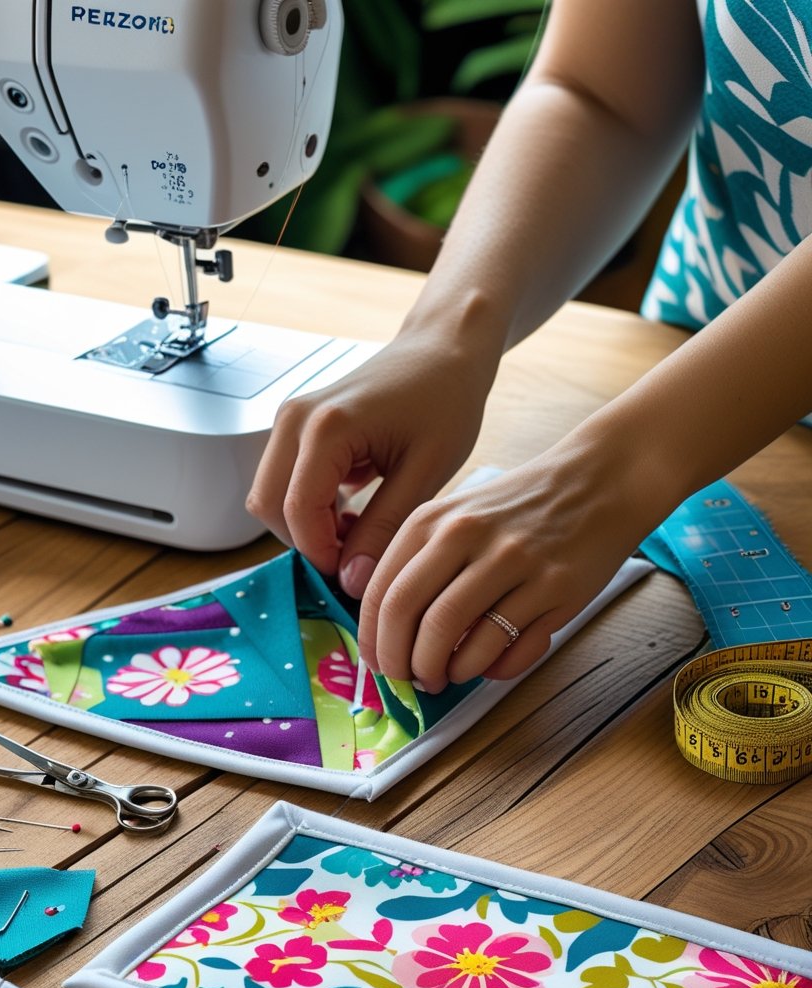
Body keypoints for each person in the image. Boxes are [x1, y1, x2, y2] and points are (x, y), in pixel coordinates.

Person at [246, 0, 812, 694]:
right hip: (699, 351)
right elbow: (599, 90)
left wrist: (612, 477)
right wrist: (446, 337)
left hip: (681, 424)